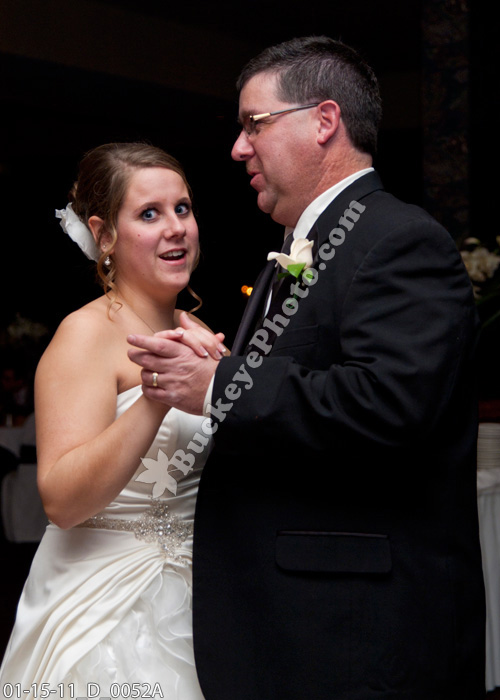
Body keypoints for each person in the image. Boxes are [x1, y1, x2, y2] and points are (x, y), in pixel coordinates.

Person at [127, 37, 486, 699]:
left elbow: (388, 404)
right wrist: (226, 369)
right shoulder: (297, 248)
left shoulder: (399, 239)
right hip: (293, 629)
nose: (238, 148)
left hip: (356, 639)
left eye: (254, 124)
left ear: (324, 121)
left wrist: (220, 384)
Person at [0, 142, 226, 699]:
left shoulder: (198, 331)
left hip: (201, 604)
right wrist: (157, 394)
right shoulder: (85, 334)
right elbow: (62, 501)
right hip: (105, 610)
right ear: (104, 236)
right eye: (149, 213)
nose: (176, 228)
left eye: (182, 208)